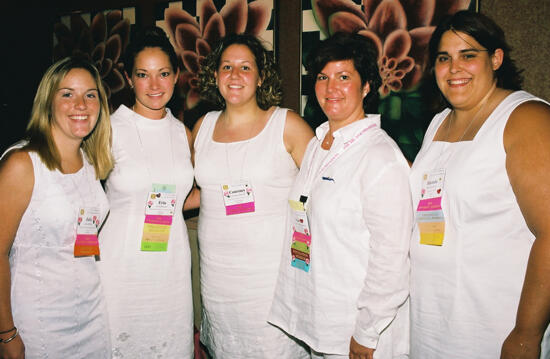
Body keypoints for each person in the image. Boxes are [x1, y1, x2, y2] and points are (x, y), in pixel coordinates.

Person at [410, 10, 550, 359]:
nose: (454, 68)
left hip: (494, 329)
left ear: (496, 59)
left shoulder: (525, 118)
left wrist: (526, 334)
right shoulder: (439, 122)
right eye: (444, 58)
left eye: (468, 55)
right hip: (432, 324)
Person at [268, 32, 411, 359]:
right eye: (323, 77)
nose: (331, 88)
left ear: (366, 87)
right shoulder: (319, 145)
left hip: (360, 335)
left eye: (344, 77)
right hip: (321, 322)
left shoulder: (378, 156)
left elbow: (391, 257)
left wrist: (367, 331)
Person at [193, 33, 314, 358]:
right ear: (215, 75)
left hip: (269, 280)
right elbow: (198, 193)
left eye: (245, 67)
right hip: (217, 278)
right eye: (226, 66)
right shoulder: (202, 126)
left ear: (261, 77)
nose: (235, 75)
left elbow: (326, 188)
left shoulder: (286, 125)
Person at [0, 56, 113, 358]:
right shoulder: (22, 164)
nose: (81, 104)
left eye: (90, 95)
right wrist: (5, 333)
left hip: (92, 316)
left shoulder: (90, 162)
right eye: (68, 94)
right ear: (47, 101)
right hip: (39, 323)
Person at [97, 26, 197, 358]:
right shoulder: (108, 129)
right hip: (121, 267)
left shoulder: (183, 132)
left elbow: (188, 197)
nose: (154, 85)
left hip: (170, 268)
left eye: (163, 73)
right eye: (143, 74)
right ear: (129, 78)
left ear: (176, 76)